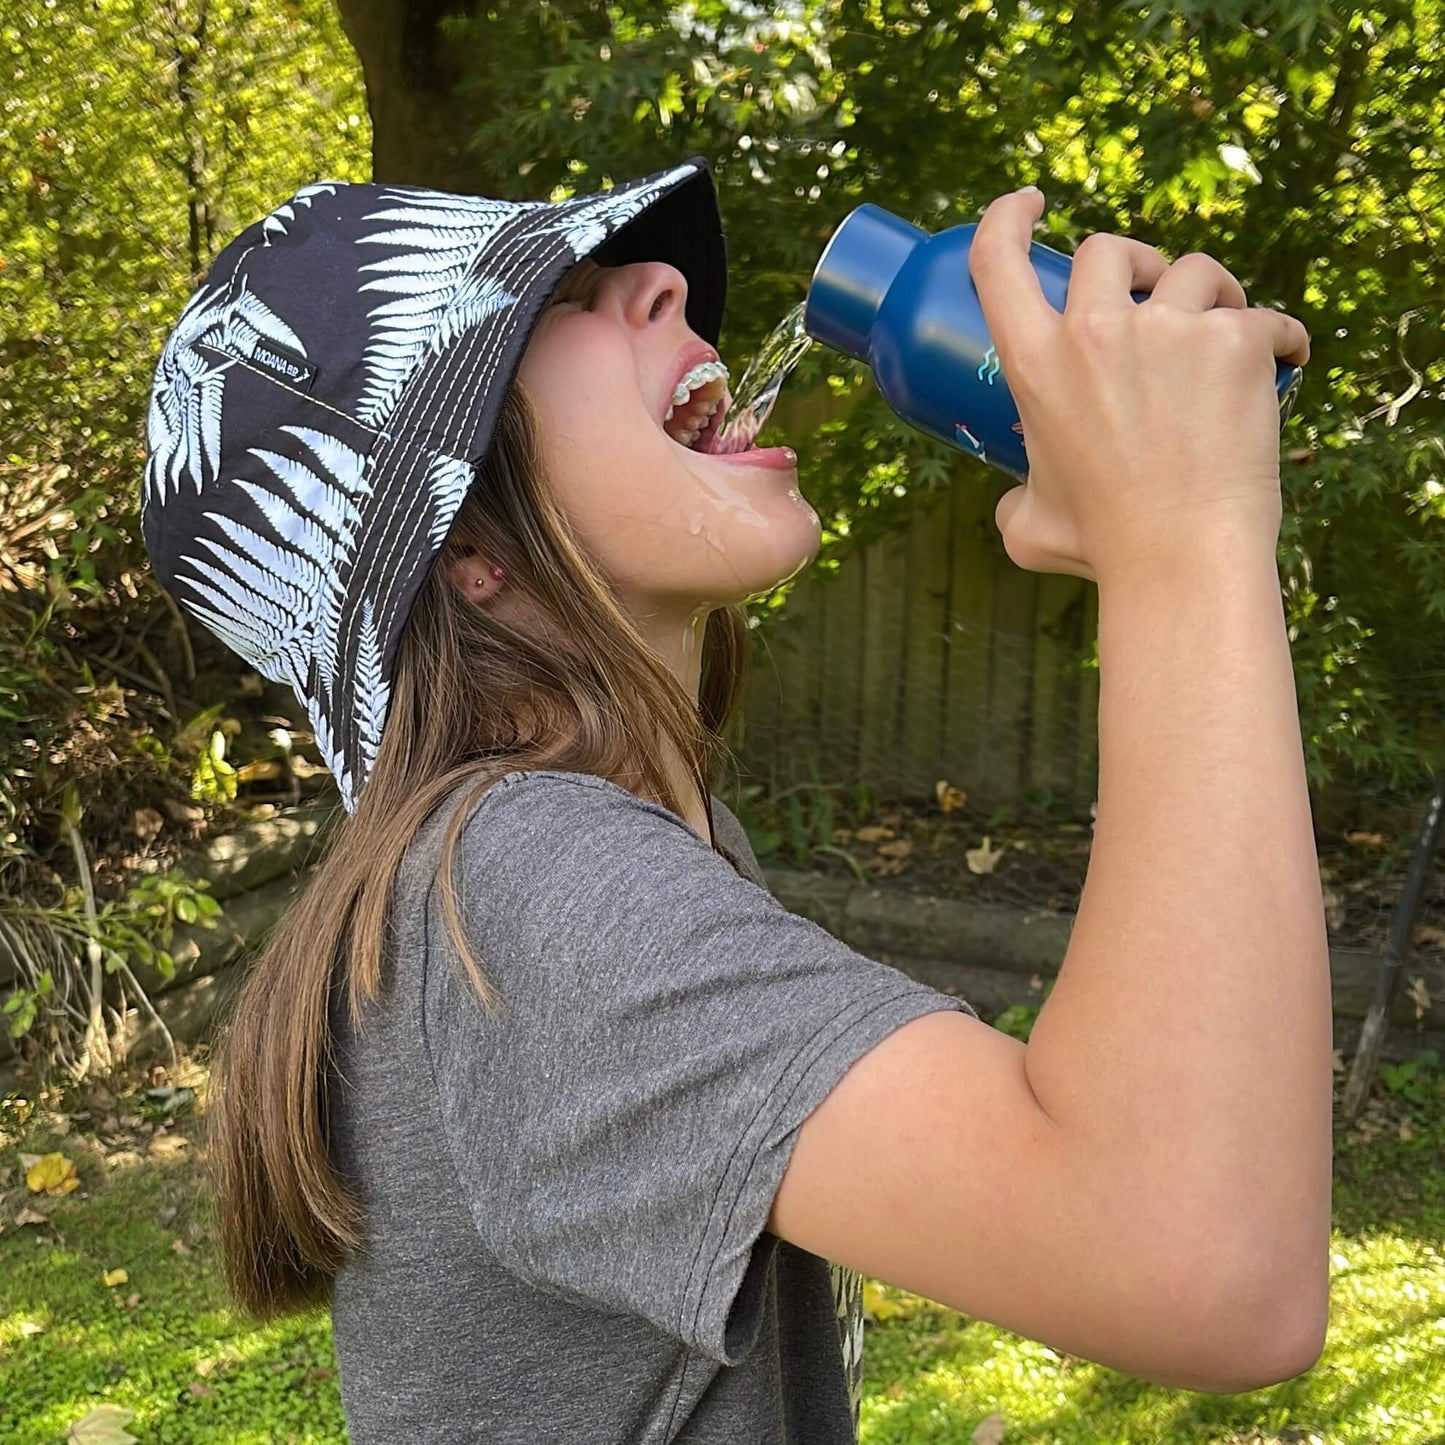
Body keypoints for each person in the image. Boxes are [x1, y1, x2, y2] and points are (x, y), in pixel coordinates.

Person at [139, 157, 1330, 1443]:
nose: (663, 282)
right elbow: (1201, 1264)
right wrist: (1183, 538)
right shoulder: (529, 883)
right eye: (564, 303)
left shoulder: (570, 856)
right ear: (465, 547)